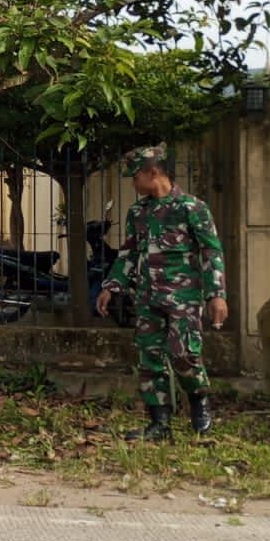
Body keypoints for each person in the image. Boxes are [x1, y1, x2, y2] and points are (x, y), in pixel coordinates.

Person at [96, 145, 228, 440]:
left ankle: (200, 408)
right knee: (150, 357)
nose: (133, 183)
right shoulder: (138, 212)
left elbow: (211, 252)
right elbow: (128, 253)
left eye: (136, 176)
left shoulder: (192, 208)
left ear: (152, 172)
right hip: (146, 296)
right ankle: (159, 423)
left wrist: (216, 294)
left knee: (184, 354)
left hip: (183, 297)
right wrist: (111, 286)